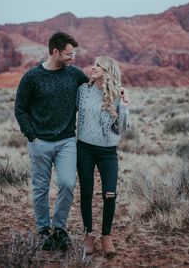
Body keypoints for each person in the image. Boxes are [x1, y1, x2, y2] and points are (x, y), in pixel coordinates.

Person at [14, 31, 89, 251]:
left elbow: (93, 91)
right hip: (40, 142)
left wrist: (118, 92)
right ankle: (43, 231)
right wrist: (32, 137)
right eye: (68, 53)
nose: (72, 57)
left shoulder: (74, 75)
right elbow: (20, 109)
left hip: (66, 140)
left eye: (73, 53)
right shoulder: (32, 77)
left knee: (67, 183)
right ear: (55, 51)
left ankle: (60, 229)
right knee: (41, 188)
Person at [76, 56, 130, 257]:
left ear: (108, 71)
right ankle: (88, 234)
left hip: (108, 151)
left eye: (99, 65)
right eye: (94, 63)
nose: (93, 67)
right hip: (84, 149)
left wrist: (123, 105)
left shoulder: (117, 94)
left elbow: (121, 128)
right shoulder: (83, 91)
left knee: (110, 193)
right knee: (87, 192)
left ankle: (106, 236)